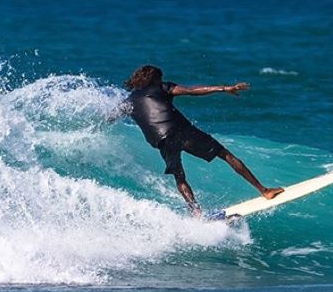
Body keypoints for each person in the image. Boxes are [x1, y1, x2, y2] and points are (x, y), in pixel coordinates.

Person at [116, 65, 284, 216]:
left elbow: (110, 117)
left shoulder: (128, 102)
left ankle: (196, 213)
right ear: (155, 79)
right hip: (181, 130)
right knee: (226, 155)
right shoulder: (161, 87)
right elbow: (192, 91)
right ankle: (264, 190)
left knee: (180, 178)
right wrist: (225, 88)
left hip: (162, 141)